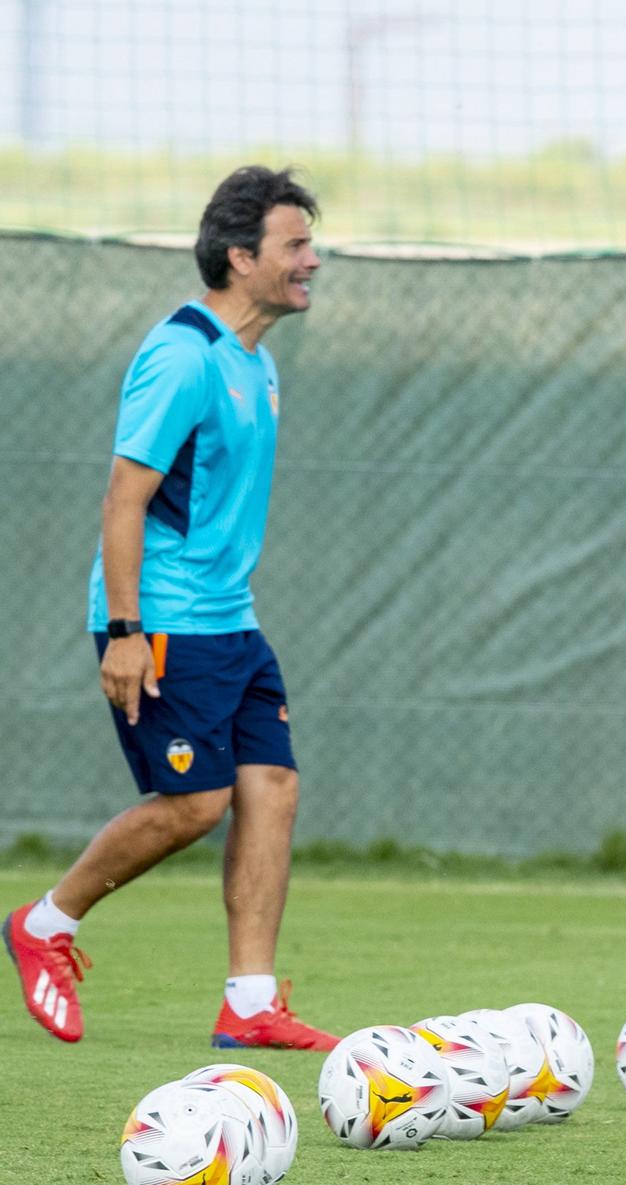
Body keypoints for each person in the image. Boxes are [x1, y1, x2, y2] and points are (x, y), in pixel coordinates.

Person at [4, 166, 341, 1050]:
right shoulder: (182, 355)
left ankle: (251, 1001)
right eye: (294, 244)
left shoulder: (257, 363)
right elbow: (124, 495)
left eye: (310, 241)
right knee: (196, 803)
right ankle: (46, 923)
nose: (313, 259)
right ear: (241, 257)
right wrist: (122, 632)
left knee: (272, 788)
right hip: (162, 619)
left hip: (229, 617)